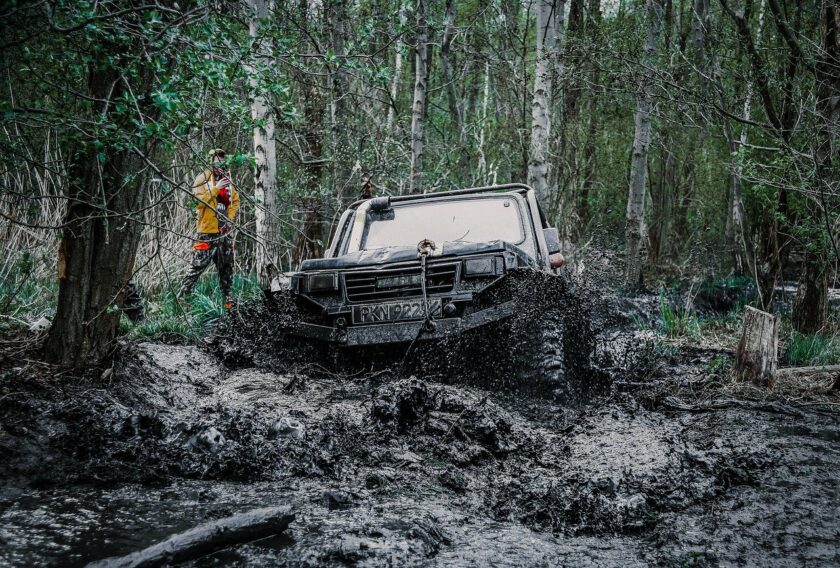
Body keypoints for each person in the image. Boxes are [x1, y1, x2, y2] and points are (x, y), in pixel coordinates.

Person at [178, 149, 240, 309]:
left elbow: (236, 201)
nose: (220, 166)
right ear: (210, 163)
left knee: (227, 269)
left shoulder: (228, 181)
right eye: (217, 163)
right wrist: (215, 188)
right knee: (196, 267)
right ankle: (183, 303)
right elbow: (197, 202)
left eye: (222, 163)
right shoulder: (202, 179)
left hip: (225, 234)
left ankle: (229, 305)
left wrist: (229, 219)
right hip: (206, 233)